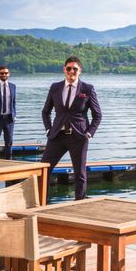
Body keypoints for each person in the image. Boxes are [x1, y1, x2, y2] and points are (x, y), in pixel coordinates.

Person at [41, 56, 102, 200]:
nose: (71, 71)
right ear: (64, 69)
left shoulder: (87, 89)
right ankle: (41, 201)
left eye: (75, 69)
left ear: (80, 71)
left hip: (78, 137)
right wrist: (48, 129)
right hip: (57, 136)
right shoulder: (55, 87)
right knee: (43, 169)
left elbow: (97, 115)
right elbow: (45, 112)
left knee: (80, 174)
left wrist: (89, 133)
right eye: (68, 68)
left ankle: (79, 204)